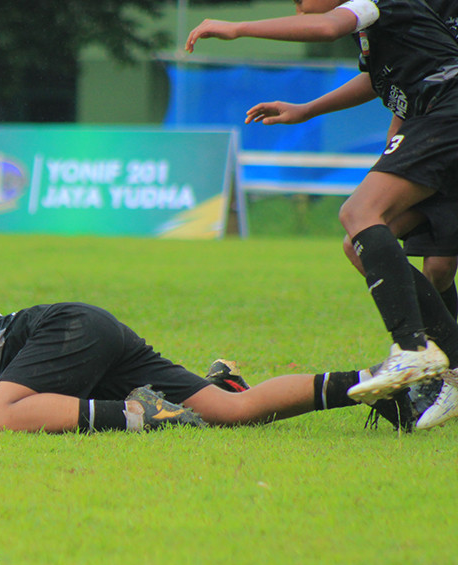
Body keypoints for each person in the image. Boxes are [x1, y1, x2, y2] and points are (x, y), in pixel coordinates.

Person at [186, 0, 458, 426]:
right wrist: (306, 109)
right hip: (436, 119)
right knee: (359, 242)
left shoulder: (372, 1)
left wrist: (237, 29)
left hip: (447, 115)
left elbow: (329, 26)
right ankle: (450, 370)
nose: (297, 3)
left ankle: (413, 351)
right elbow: (380, 79)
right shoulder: (378, 30)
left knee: (360, 212)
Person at [0, 299, 419, 432]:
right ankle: (377, 383)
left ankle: (148, 417)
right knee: (232, 412)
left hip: (65, 333)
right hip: (72, 354)